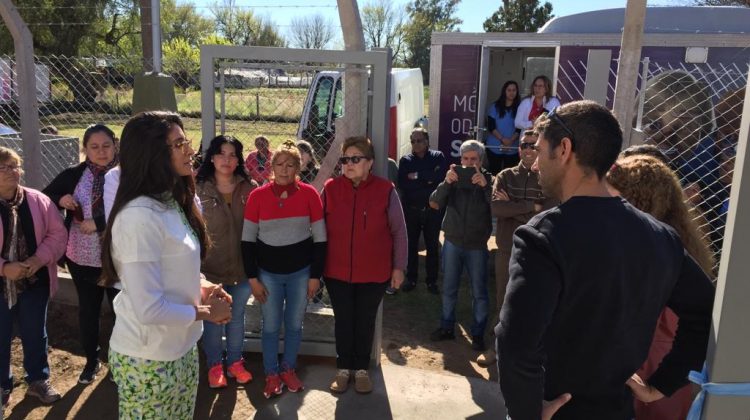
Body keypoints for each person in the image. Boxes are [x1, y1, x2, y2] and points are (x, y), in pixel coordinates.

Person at [496, 101, 715, 420]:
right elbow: (704, 312)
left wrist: (526, 412)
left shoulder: (544, 236)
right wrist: (663, 384)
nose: (534, 165)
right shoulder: (661, 237)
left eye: (540, 150)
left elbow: (515, 342)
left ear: (564, 149)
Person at [100, 111, 232, 419]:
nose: (190, 149)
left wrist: (203, 286)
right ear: (152, 153)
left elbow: (175, 267)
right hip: (148, 359)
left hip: (181, 347)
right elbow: (149, 309)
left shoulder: (170, 203)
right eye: (178, 143)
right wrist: (207, 313)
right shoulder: (138, 216)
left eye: (185, 140)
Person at [607, 155, 715, 420]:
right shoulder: (681, 244)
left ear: (636, 200)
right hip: (673, 372)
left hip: (652, 370)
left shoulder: (654, 250)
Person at [241, 140, 327, 399]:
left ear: (298, 167)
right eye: (279, 164)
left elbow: (320, 239)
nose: (285, 169)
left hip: (301, 273)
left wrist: (315, 276)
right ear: (271, 166)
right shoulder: (257, 196)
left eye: (291, 165)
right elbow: (247, 241)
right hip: (268, 274)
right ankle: (271, 373)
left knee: (293, 325)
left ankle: (288, 368)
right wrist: (253, 278)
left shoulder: (310, 194)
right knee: (270, 326)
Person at [324, 136, 407, 394]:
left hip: (374, 273)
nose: (348, 164)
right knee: (344, 320)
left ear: (370, 162)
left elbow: (399, 231)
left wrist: (399, 267)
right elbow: (318, 231)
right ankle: (343, 369)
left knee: (365, 321)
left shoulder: (385, 190)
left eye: (355, 159)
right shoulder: (331, 188)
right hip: (336, 271)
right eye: (345, 159)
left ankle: (361, 370)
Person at [42, 124, 120, 384]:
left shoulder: (125, 175)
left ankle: (120, 361)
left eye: (106, 146)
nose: (101, 152)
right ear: (85, 149)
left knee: (123, 311)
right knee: (89, 310)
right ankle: (91, 360)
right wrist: (61, 199)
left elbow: (128, 206)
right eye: (94, 147)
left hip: (118, 257)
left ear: (115, 145)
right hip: (82, 257)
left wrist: (99, 222)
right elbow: (45, 197)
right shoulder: (74, 174)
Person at [477, 130, 556, 366]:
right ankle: (496, 348)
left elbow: (550, 210)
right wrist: (531, 207)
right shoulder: (506, 176)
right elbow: (496, 209)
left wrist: (515, 207)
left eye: (534, 145)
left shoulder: (549, 178)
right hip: (507, 249)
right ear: (519, 148)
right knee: (503, 300)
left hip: (539, 251)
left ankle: (526, 353)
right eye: (524, 145)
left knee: (536, 303)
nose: (529, 149)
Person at [0, 147, 67, 405]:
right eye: (2, 168)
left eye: (14, 166)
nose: (10, 172)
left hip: (34, 280)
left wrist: (39, 259)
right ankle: (3, 386)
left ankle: (37, 380)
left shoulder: (38, 200)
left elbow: (58, 234)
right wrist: (5, 268)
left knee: (34, 331)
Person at [195, 135, 258, 389]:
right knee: (212, 319)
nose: (227, 159)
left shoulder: (249, 187)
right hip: (211, 270)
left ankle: (234, 362)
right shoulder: (199, 188)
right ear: (212, 157)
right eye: (221, 154)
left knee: (237, 317)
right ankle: (214, 366)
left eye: (232, 155)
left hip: (242, 269)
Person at [428, 140, 492, 352]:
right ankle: (446, 327)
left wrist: (485, 187)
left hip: (477, 245)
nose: (468, 163)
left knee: (479, 292)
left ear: (481, 161)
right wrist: (447, 182)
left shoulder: (490, 180)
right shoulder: (452, 178)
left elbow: (497, 207)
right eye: (465, 159)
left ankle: (478, 334)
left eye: (473, 159)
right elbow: (434, 203)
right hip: (453, 242)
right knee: (448, 288)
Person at [397, 127, 447, 295]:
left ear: (427, 141)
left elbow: (440, 179)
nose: (415, 144)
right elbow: (403, 184)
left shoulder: (437, 156)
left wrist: (417, 176)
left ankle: (431, 281)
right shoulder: (405, 161)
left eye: (419, 141)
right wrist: (427, 179)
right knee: (411, 246)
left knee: (432, 246)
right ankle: (411, 279)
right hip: (411, 210)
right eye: (412, 141)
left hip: (432, 211)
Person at [486, 80, 521, 174]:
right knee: (494, 174)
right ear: (504, 91)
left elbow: (519, 128)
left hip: (512, 148)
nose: (511, 92)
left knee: (509, 176)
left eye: (514, 90)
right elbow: (491, 126)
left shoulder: (520, 107)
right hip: (494, 147)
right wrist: (503, 139)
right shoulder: (495, 106)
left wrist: (510, 141)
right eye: (509, 90)